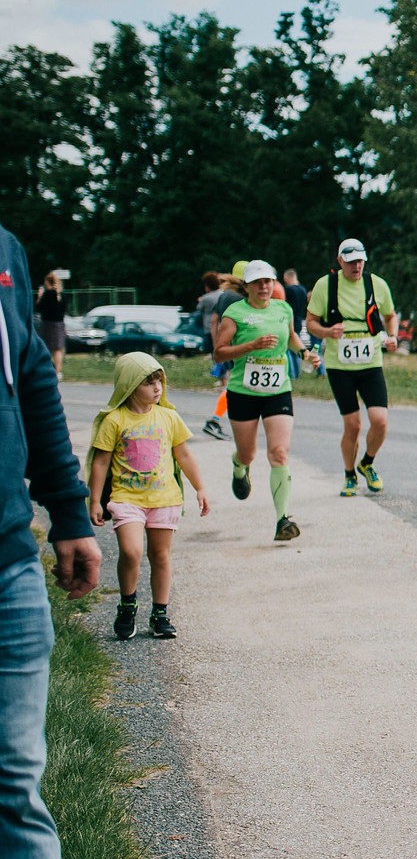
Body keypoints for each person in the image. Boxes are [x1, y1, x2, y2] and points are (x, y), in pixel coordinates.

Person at [0, 221, 153, 859]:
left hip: (5, 560)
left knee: (14, 784)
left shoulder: (4, 253)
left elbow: (28, 384)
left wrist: (67, 513)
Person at [87, 354, 209, 639]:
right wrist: (94, 500)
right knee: (131, 552)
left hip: (164, 499)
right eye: (148, 382)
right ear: (130, 385)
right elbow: (101, 462)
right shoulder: (115, 420)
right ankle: (127, 605)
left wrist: (199, 487)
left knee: (161, 556)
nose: (157, 388)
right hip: (127, 498)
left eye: (159, 381)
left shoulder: (168, 417)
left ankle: (160, 614)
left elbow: (184, 455)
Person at [212, 260, 306, 542]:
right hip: (243, 393)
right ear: (248, 286)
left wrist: (306, 353)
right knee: (248, 453)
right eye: (258, 283)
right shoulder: (235, 313)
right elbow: (219, 353)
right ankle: (239, 467)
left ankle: (283, 520)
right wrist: (251, 346)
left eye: (268, 281)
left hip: (278, 390)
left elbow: (291, 339)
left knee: (279, 453)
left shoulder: (283, 309)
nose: (264, 287)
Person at [305, 238, 397, 497]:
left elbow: (390, 315)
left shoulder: (376, 283)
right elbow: (310, 322)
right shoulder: (326, 285)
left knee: (380, 421)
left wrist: (392, 337)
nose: (356, 267)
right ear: (340, 261)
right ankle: (349, 475)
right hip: (339, 365)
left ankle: (367, 462)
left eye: (360, 261)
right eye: (350, 262)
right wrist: (326, 331)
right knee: (353, 425)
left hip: (370, 362)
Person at [195, 269, 239, 439]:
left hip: (225, 345)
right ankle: (216, 420)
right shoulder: (245, 297)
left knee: (234, 382)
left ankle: (217, 419)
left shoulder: (224, 295)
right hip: (240, 346)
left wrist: (216, 344)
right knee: (235, 384)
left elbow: (214, 320)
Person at [33, 274, 65, 379]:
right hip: (59, 324)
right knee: (58, 349)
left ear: (48, 282)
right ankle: (57, 372)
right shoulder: (61, 295)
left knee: (44, 347)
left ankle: (45, 369)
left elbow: (39, 308)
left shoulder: (47, 294)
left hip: (47, 323)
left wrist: (39, 296)